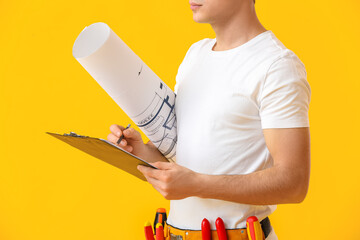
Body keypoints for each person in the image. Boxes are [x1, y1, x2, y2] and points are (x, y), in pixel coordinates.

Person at [107, 0, 311, 239]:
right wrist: (140, 151)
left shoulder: (276, 65)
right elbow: (182, 159)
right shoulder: (195, 54)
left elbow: (294, 183)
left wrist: (197, 185)